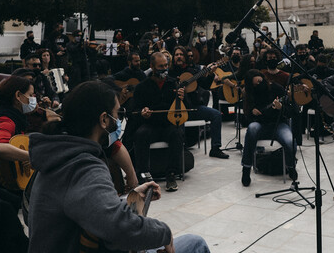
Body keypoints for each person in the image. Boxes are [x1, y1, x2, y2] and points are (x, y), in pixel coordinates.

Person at [27, 81, 209, 253]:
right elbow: (119, 228)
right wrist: (164, 232)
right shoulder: (83, 166)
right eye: (116, 114)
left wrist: (131, 196)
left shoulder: (60, 154)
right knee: (195, 244)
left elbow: (90, 206)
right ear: (104, 120)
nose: (118, 121)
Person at [131, 52, 185, 191]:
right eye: (160, 66)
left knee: (177, 133)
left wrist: (182, 98)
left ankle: (172, 174)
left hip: (168, 125)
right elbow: (135, 110)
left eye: (166, 65)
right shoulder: (142, 86)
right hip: (151, 125)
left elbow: (185, 109)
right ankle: (143, 175)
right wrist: (143, 112)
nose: (164, 69)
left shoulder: (173, 83)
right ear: (152, 67)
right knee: (141, 134)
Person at [169, 46, 228, 159]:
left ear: (185, 57)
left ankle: (215, 148)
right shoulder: (169, 72)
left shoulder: (193, 71)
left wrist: (211, 73)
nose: (179, 56)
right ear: (173, 57)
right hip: (177, 109)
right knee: (177, 122)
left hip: (193, 108)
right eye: (176, 55)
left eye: (181, 54)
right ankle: (181, 150)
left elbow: (205, 85)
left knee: (216, 114)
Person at [240, 70, 297, 186]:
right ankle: (246, 169)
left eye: (260, 81)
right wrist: (252, 112)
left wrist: (281, 108)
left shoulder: (276, 88)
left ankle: (291, 166)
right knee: (252, 129)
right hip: (260, 125)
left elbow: (291, 112)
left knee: (290, 141)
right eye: (255, 84)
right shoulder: (250, 93)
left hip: (279, 125)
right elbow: (246, 117)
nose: (258, 85)